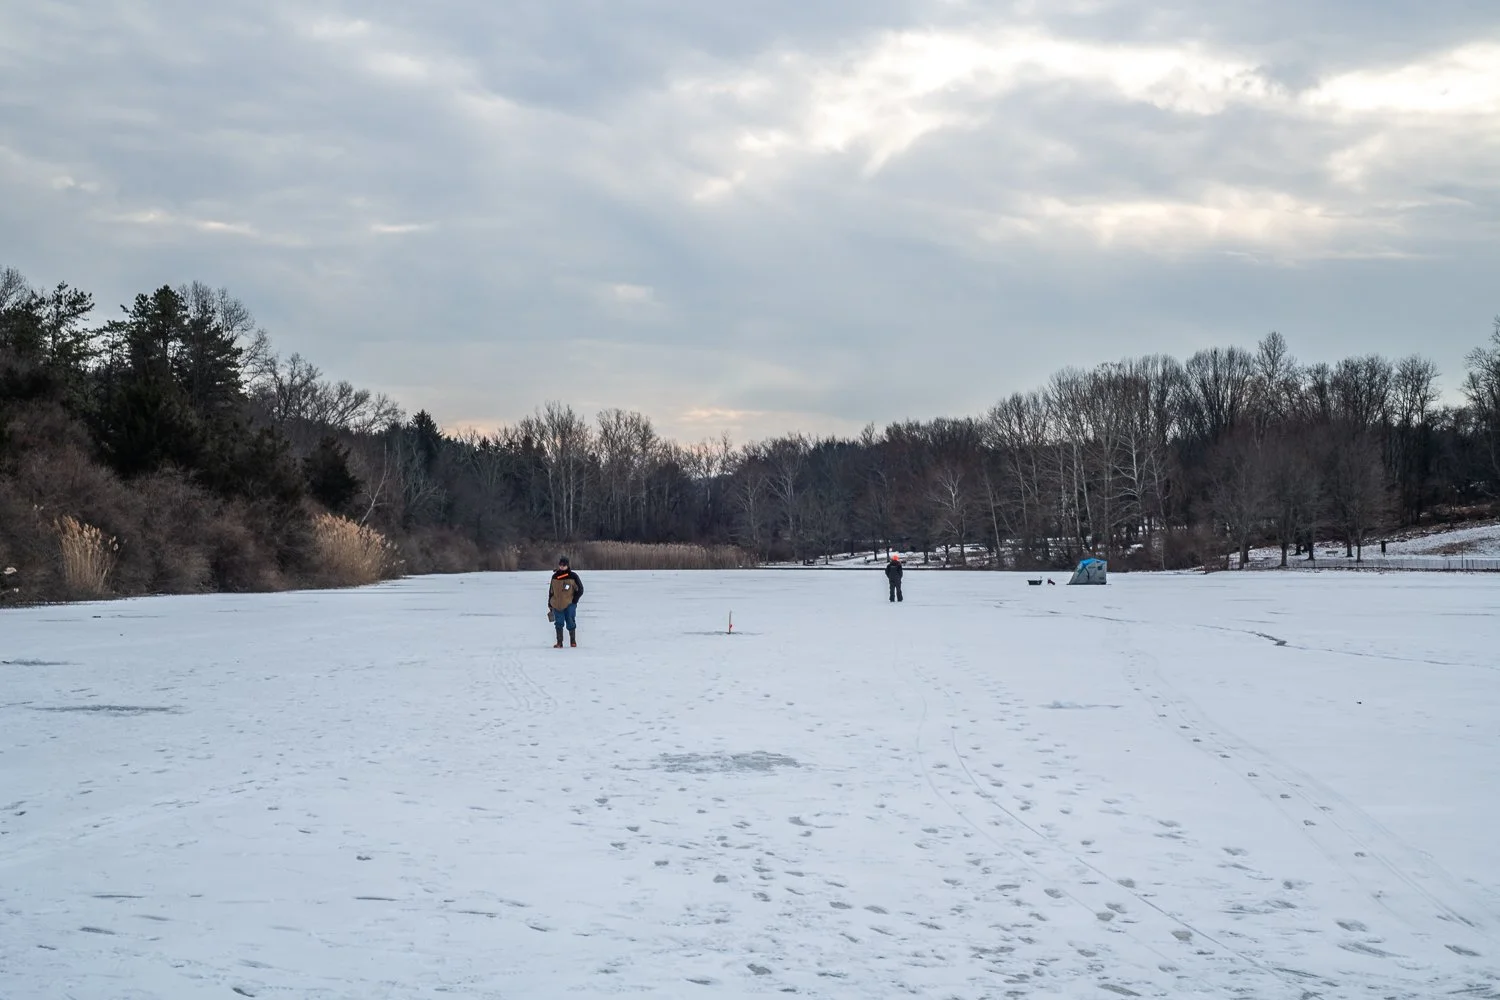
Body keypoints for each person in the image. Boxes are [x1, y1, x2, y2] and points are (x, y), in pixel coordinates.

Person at [546, 556, 584, 647]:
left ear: (567, 565)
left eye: (564, 565)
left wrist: (574, 600)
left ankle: (573, 641)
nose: (562, 566)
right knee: (558, 623)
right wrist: (550, 603)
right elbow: (551, 591)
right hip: (556, 604)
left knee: (570, 621)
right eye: (560, 565)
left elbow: (580, 589)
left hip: (569, 604)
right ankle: (559, 642)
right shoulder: (555, 576)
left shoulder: (573, 576)